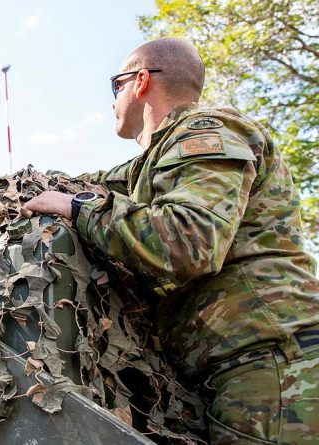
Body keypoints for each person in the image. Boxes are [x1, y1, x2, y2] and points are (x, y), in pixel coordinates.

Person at [25, 38, 319, 444]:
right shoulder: (154, 162)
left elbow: (188, 241)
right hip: (239, 369)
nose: (113, 101)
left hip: (274, 366)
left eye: (116, 85)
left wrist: (78, 207)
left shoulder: (210, 130)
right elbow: (94, 184)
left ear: (140, 81)